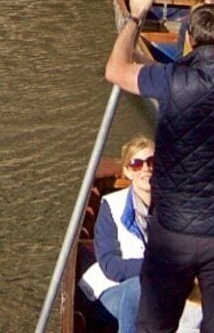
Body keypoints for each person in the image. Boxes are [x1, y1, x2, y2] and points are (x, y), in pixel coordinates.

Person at [105, 0, 214, 333]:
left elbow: (115, 70)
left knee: (154, 327)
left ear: (189, 41)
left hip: (173, 233)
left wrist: (134, 18)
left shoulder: (172, 80)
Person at [81, 136, 155, 333]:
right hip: (112, 293)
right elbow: (110, 266)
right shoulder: (111, 206)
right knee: (138, 288)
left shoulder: (173, 207)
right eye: (137, 164)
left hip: (162, 291)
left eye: (152, 162)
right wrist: (156, 269)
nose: (146, 169)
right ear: (128, 171)